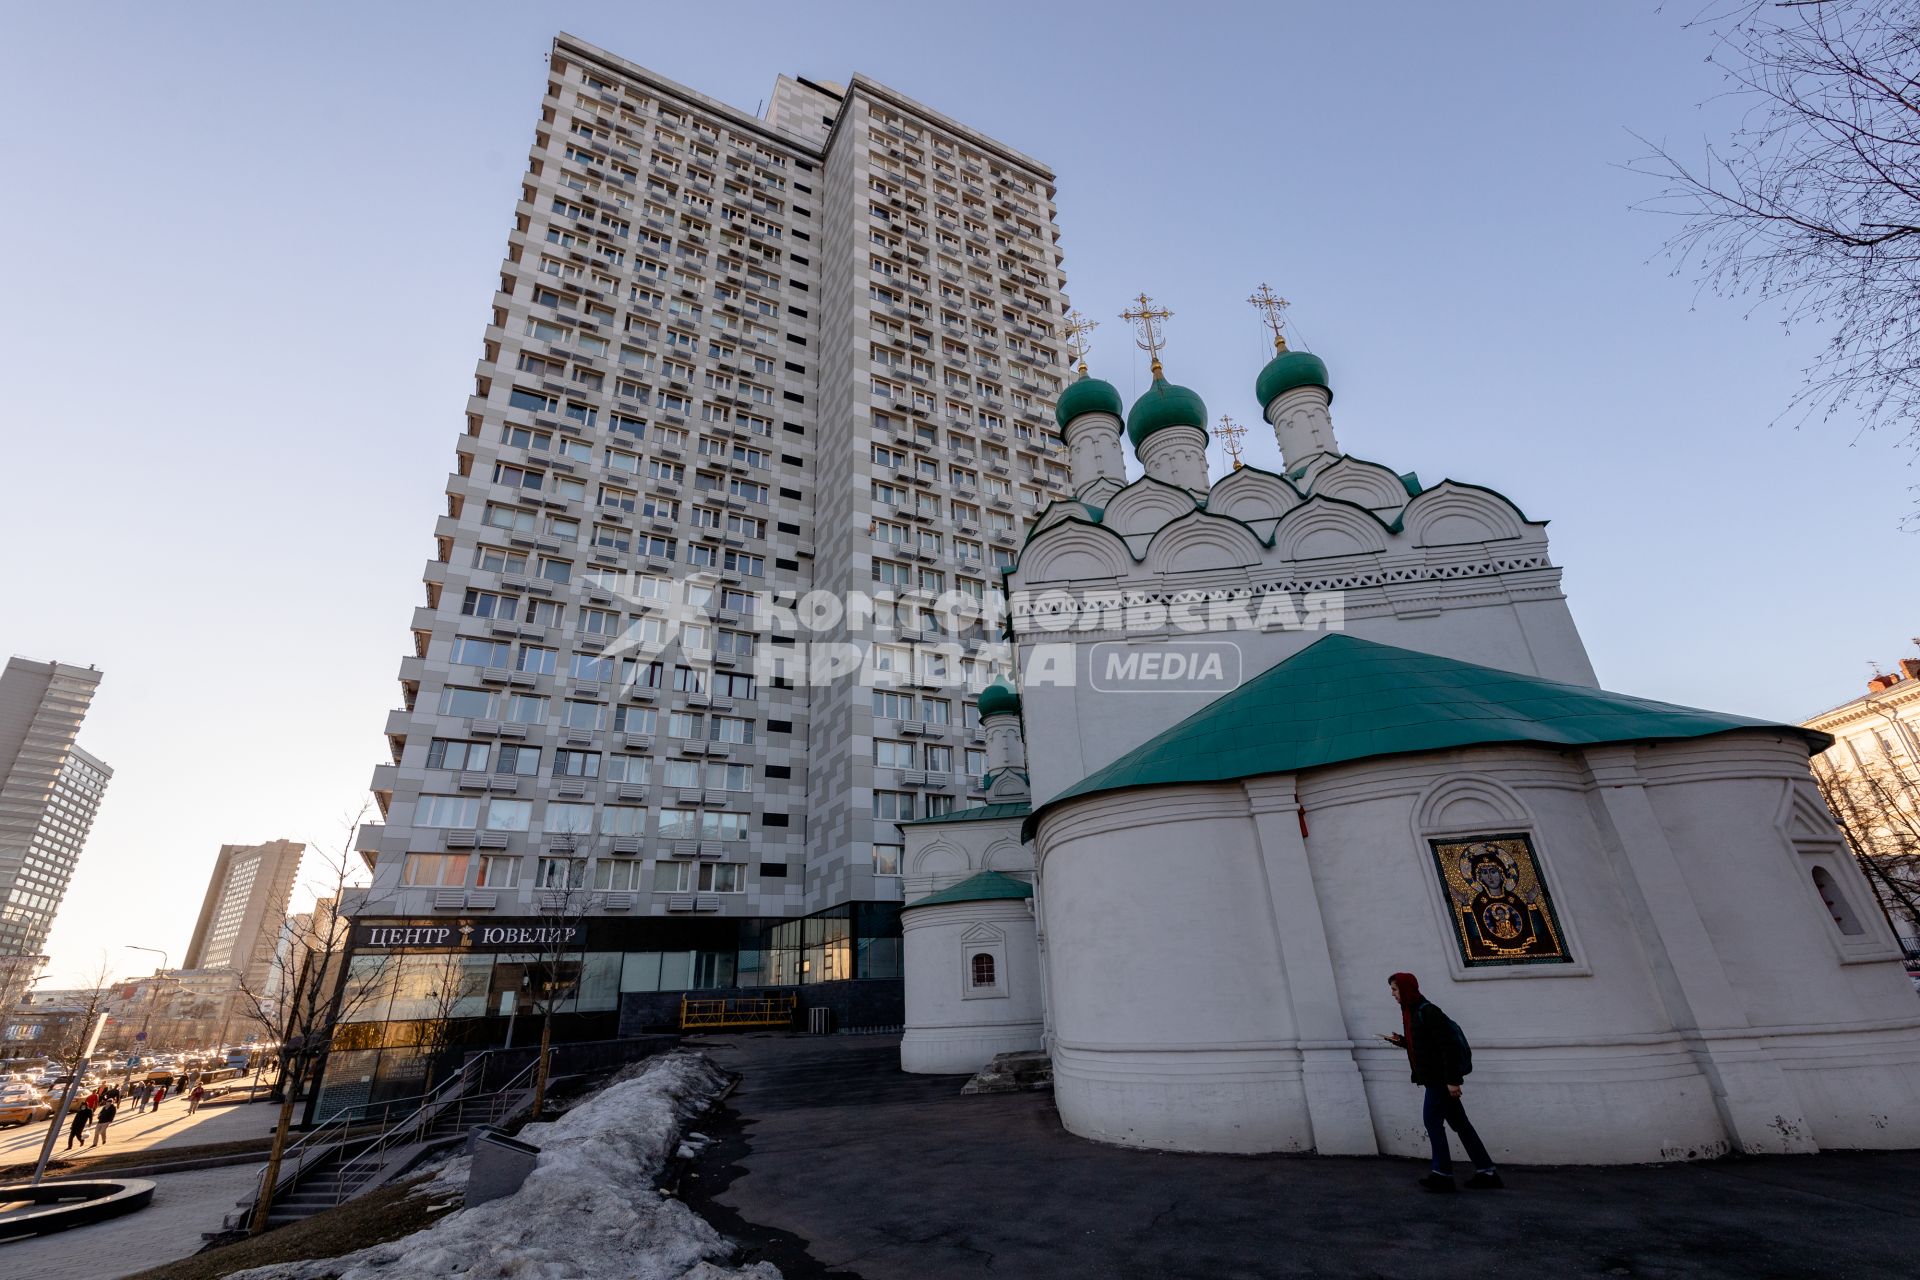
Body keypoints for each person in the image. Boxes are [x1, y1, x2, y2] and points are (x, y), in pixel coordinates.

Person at [1384, 971, 1503, 1192]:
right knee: (1461, 1125)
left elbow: (1446, 1048)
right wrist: (1401, 1042)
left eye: (1395, 989)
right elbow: (1425, 1046)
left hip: (1439, 1080)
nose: (1392, 994)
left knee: (1432, 1122)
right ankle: (1487, 1171)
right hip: (1436, 1079)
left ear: (1406, 989)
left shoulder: (1428, 1011)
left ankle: (1443, 1175)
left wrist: (1453, 1081)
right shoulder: (1412, 1012)